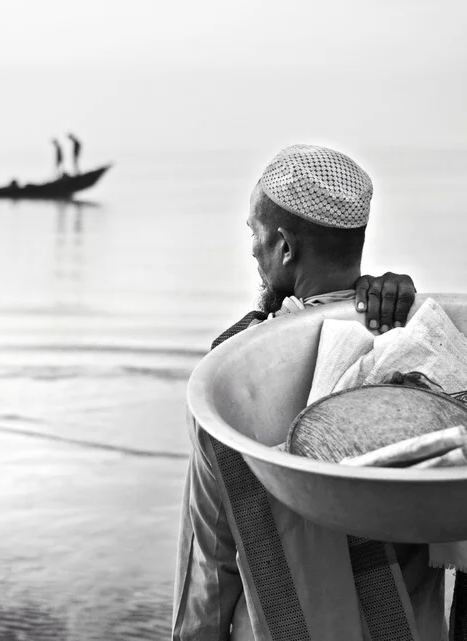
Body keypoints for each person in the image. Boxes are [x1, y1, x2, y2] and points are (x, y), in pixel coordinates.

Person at [173, 145, 443, 641]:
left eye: (255, 233)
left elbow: (210, 555)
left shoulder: (234, 375)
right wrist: (414, 309)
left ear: (285, 247)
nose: (252, 249)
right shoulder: (421, 347)